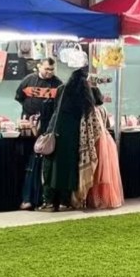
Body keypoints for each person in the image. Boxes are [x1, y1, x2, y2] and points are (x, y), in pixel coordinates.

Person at [40, 66, 100, 211]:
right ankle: (65, 201)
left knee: (51, 168)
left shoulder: (62, 89)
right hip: (74, 134)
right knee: (70, 168)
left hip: (57, 132)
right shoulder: (86, 93)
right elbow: (96, 104)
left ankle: (49, 202)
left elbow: (56, 111)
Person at [86, 88, 124, 210]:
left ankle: (96, 199)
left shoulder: (91, 110)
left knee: (97, 172)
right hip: (108, 140)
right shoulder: (103, 109)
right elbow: (108, 125)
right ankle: (107, 198)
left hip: (98, 142)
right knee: (108, 174)